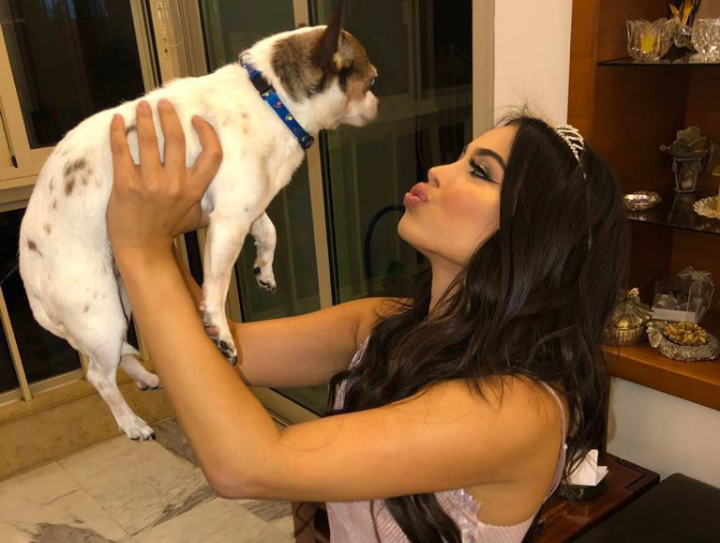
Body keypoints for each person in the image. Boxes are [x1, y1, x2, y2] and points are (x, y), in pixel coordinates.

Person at [107, 98, 629, 543]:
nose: (437, 170)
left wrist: (143, 247)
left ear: (535, 236)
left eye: (479, 171)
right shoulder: (382, 324)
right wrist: (161, 235)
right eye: (459, 156)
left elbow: (247, 464)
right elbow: (205, 350)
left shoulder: (518, 409)